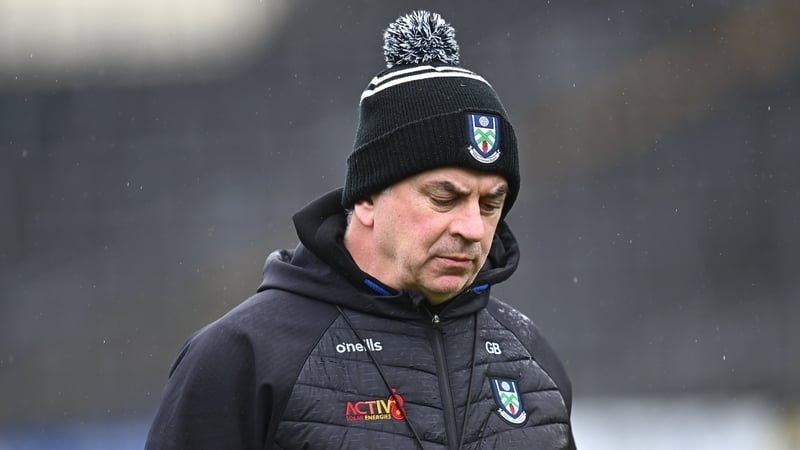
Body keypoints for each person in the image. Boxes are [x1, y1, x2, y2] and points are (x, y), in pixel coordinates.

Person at [146, 10, 576, 450]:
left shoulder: (532, 357)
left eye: (491, 204)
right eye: (444, 198)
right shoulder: (241, 357)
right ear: (368, 197)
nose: (471, 227)